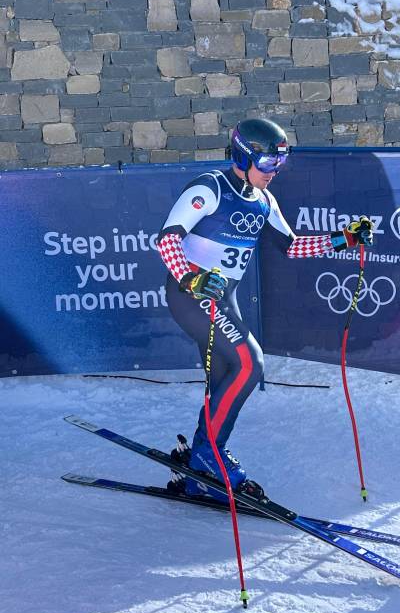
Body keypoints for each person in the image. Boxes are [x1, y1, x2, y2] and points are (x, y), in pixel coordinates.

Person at [157, 117, 373, 501]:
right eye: (269, 162)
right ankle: (209, 454)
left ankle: (200, 467)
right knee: (249, 364)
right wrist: (191, 279)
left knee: (225, 377)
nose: (275, 171)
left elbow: (292, 246)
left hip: (223, 298)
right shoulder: (210, 188)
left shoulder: (264, 201)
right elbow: (168, 240)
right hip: (191, 294)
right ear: (243, 156)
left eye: (280, 163)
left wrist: (345, 238)